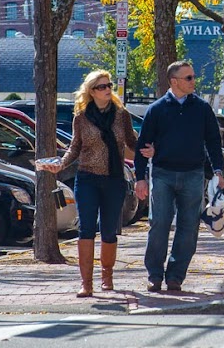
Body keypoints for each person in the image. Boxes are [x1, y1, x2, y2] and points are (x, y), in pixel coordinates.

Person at [38, 70, 137, 297]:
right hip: (87, 178)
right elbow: (75, 146)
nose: (107, 90)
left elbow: (132, 142)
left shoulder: (122, 115)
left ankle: (107, 276)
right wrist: (61, 164)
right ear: (91, 91)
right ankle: (86, 283)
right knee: (86, 229)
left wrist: (148, 149)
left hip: (114, 179)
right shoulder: (81, 118)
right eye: (101, 87)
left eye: (109, 85)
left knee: (109, 230)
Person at [133, 61, 224, 293]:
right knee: (159, 223)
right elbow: (142, 145)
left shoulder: (202, 108)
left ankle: (175, 276)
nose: (194, 81)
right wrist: (140, 177)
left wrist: (218, 171)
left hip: (193, 174)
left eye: (193, 77)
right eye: (189, 78)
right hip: (163, 174)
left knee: (188, 227)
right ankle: (154, 274)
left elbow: (214, 141)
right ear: (174, 81)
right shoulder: (156, 109)